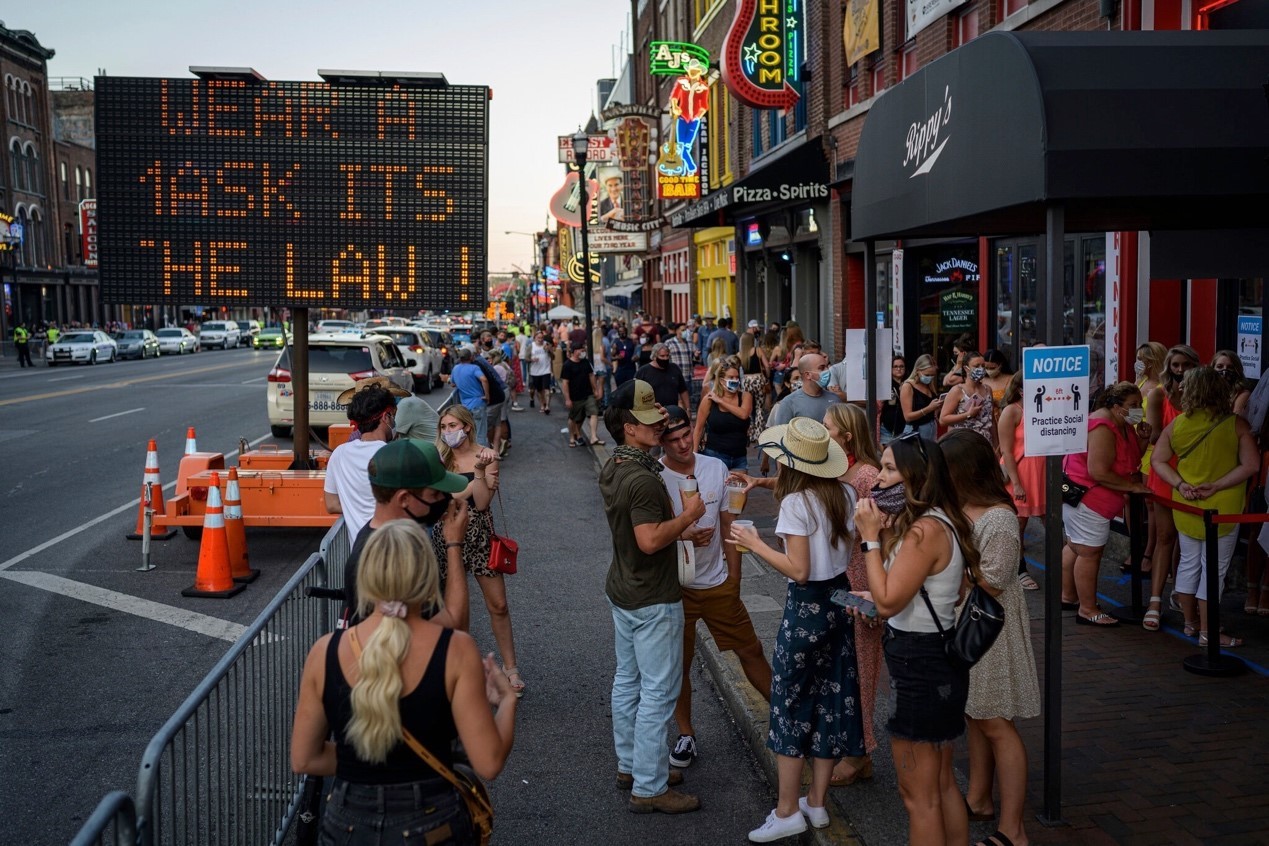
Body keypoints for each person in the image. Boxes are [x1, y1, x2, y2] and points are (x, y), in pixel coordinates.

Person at [290, 521, 518, 846]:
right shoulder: (455, 649)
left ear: (365, 576)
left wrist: (368, 761)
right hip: (433, 823)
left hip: (347, 825)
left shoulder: (324, 652)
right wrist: (507, 701)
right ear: (426, 577)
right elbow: (489, 762)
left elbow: (304, 759)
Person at [728, 417, 863, 842]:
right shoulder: (845, 492)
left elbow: (799, 570)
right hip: (840, 603)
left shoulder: (796, 505)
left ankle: (787, 810)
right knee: (829, 698)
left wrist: (756, 544)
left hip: (806, 609)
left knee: (789, 704)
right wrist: (761, 484)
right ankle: (816, 804)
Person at [854, 434, 980, 846]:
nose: (881, 478)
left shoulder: (924, 530)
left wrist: (870, 537)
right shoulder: (936, 521)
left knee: (918, 797)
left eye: (890, 469)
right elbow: (903, 592)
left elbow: (890, 601)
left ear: (916, 475)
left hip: (920, 664)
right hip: (933, 658)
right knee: (941, 784)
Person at [599, 379, 704, 814]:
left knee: (628, 681)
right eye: (648, 421)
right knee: (658, 692)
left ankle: (633, 766)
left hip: (623, 589)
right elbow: (648, 539)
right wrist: (688, 517)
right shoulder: (642, 478)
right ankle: (649, 786)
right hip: (652, 596)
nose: (658, 426)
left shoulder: (616, 465)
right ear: (628, 427)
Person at [658, 406, 771, 771]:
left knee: (751, 651)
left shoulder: (714, 468)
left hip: (718, 583)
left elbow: (729, 526)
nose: (682, 444)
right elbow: (649, 535)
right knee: (679, 666)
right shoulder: (655, 478)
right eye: (672, 440)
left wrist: (734, 581)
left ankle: (786, 717)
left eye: (685, 434)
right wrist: (683, 532)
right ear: (661, 441)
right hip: (675, 587)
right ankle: (686, 733)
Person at [941, 430, 1040, 846]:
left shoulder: (999, 517)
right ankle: (979, 798)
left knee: (996, 722)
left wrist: (944, 568)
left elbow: (995, 580)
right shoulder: (961, 506)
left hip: (988, 632)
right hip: (968, 627)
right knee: (976, 715)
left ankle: (1013, 830)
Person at [1152, 367, 1258, 646]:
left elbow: (1158, 460)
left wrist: (1180, 484)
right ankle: (1209, 633)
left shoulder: (1178, 425)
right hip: (1224, 508)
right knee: (1214, 571)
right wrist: (1218, 485)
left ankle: (1191, 623)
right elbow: (1251, 465)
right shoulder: (1236, 425)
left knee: (1188, 565)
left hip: (1186, 505)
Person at [429, 405, 525, 697]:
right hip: (446, 534)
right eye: (444, 427)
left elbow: (482, 504)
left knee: (498, 604)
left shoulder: (486, 455)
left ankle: (510, 668)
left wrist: (481, 471)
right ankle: (455, 667)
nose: (448, 432)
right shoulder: (438, 458)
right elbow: (441, 500)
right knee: (450, 605)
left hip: (480, 534)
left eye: (452, 425)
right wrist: (472, 485)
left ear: (467, 427)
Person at [338, 439, 472, 630]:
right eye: (435, 494)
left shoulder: (381, 538)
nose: (445, 500)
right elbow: (454, 628)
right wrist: (454, 543)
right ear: (404, 499)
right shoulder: (391, 557)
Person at [823, 403, 883, 787]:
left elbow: (882, 531)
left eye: (827, 426)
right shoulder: (833, 469)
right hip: (837, 579)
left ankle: (860, 752)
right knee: (842, 667)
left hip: (862, 578)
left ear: (846, 434)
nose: (821, 430)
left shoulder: (867, 475)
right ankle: (850, 744)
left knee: (862, 667)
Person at [1061, 382, 1151, 626]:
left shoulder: (1123, 425)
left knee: (1075, 547)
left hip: (1087, 498)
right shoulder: (1102, 426)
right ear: (1115, 406)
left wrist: (1143, 440)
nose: (1138, 410)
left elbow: (1128, 461)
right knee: (1089, 552)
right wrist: (1133, 487)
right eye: (1133, 405)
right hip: (1089, 499)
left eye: (1139, 404)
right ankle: (1088, 609)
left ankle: (1069, 596)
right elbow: (1099, 470)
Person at [1142, 345, 1200, 629]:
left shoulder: (1203, 396)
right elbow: (1153, 436)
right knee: (1165, 537)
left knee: (1187, 540)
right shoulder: (1158, 395)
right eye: (1176, 365)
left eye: (1186, 365)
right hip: (1165, 472)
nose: (1180, 370)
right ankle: (1155, 600)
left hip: (1196, 474)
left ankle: (1181, 593)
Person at [325, 379, 411, 539]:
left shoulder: (339, 454)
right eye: (394, 415)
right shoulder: (396, 454)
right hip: (397, 552)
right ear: (386, 416)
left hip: (361, 556)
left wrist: (356, 505)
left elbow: (331, 504)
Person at [997, 371, 1044, 591]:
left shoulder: (1045, 409)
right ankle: (1019, 568)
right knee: (1019, 523)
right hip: (1020, 473)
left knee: (1052, 521)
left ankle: (1061, 566)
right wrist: (1016, 483)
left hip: (1042, 473)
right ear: (1020, 388)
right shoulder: (1012, 411)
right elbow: (1006, 451)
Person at [1130, 341, 1168, 575]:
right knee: (1130, 501)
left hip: (1150, 451)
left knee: (1150, 505)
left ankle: (1150, 552)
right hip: (1133, 447)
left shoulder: (1160, 389)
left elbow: (1154, 428)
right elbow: (1132, 417)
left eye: (1142, 359)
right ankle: (1136, 545)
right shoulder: (1141, 383)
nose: (1138, 363)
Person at [692, 357, 753, 472]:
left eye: (736, 377)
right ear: (721, 380)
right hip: (715, 455)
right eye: (730, 377)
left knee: (739, 490)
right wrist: (695, 455)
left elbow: (744, 414)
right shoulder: (709, 400)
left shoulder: (745, 396)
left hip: (739, 457)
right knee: (714, 489)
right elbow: (699, 428)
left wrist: (720, 401)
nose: (735, 380)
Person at [940, 351, 996, 445]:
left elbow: (992, 421)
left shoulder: (988, 389)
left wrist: (996, 446)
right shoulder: (957, 390)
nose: (981, 369)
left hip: (986, 443)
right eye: (976, 366)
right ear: (966, 368)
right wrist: (968, 414)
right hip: (964, 443)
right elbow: (943, 420)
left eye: (983, 366)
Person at [768, 352, 838, 426]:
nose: (827, 371)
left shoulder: (835, 399)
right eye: (822, 368)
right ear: (808, 375)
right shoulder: (789, 403)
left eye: (827, 366)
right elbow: (781, 434)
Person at [561, 342, 603, 447]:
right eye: (581, 350)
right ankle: (572, 436)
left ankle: (593, 436)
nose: (583, 352)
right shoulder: (567, 365)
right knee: (574, 418)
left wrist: (595, 389)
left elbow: (591, 376)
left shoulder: (585, 362)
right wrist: (567, 399)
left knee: (594, 412)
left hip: (588, 394)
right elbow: (565, 383)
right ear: (575, 351)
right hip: (575, 396)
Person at [449, 347, 490, 447]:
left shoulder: (456, 368)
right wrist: (487, 395)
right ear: (471, 357)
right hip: (478, 403)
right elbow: (484, 380)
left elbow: (452, 384)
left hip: (465, 406)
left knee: (468, 433)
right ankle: (483, 457)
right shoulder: (474, 368)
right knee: (480, 433)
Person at [636, 343, 691, 412]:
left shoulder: (674, 368)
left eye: (667, 355)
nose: (665, 358)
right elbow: (636, 394)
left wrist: (688, 409)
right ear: (654, 356)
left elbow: (683, 390)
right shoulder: (643, 372)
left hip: (672, 412)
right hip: (652, 413)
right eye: (662, 356)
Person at [900, 354, 941, 441]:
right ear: (918, 371)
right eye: (927, 374)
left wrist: (937, 408)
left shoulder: (929, 385)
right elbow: (907, 416)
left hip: (931, 427)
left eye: (932, 375)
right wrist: (929, 409)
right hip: (916, 430)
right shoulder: (908, 386)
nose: (930, 378)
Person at [877, 355, 909, 446]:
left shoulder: (909, 384)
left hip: (905, 428)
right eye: (895, 366)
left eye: (901, 366)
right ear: (890, 369)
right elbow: (877, 406)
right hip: (887, 428)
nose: (899, 369)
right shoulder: (885, 384)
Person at [1212, 349, 1251, 418]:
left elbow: (1234, 420)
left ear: (1237, 370)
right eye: (1220, 366)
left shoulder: (1242, 394)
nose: (1224, 370)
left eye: (1230, 367)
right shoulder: (1207, 390)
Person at [528, 331, 554, 413]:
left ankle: (547, 406)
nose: (540, 339)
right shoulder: (531, 346)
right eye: (538, 338)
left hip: (546, 370)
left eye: (542, 338)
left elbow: (553, 357)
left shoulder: (547, 345)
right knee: (539, 390)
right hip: (535, 371)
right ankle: (542, 404)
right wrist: (531, 359)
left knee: (547, 389)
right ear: (534, 338)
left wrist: (549, 351)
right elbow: (526, 358)